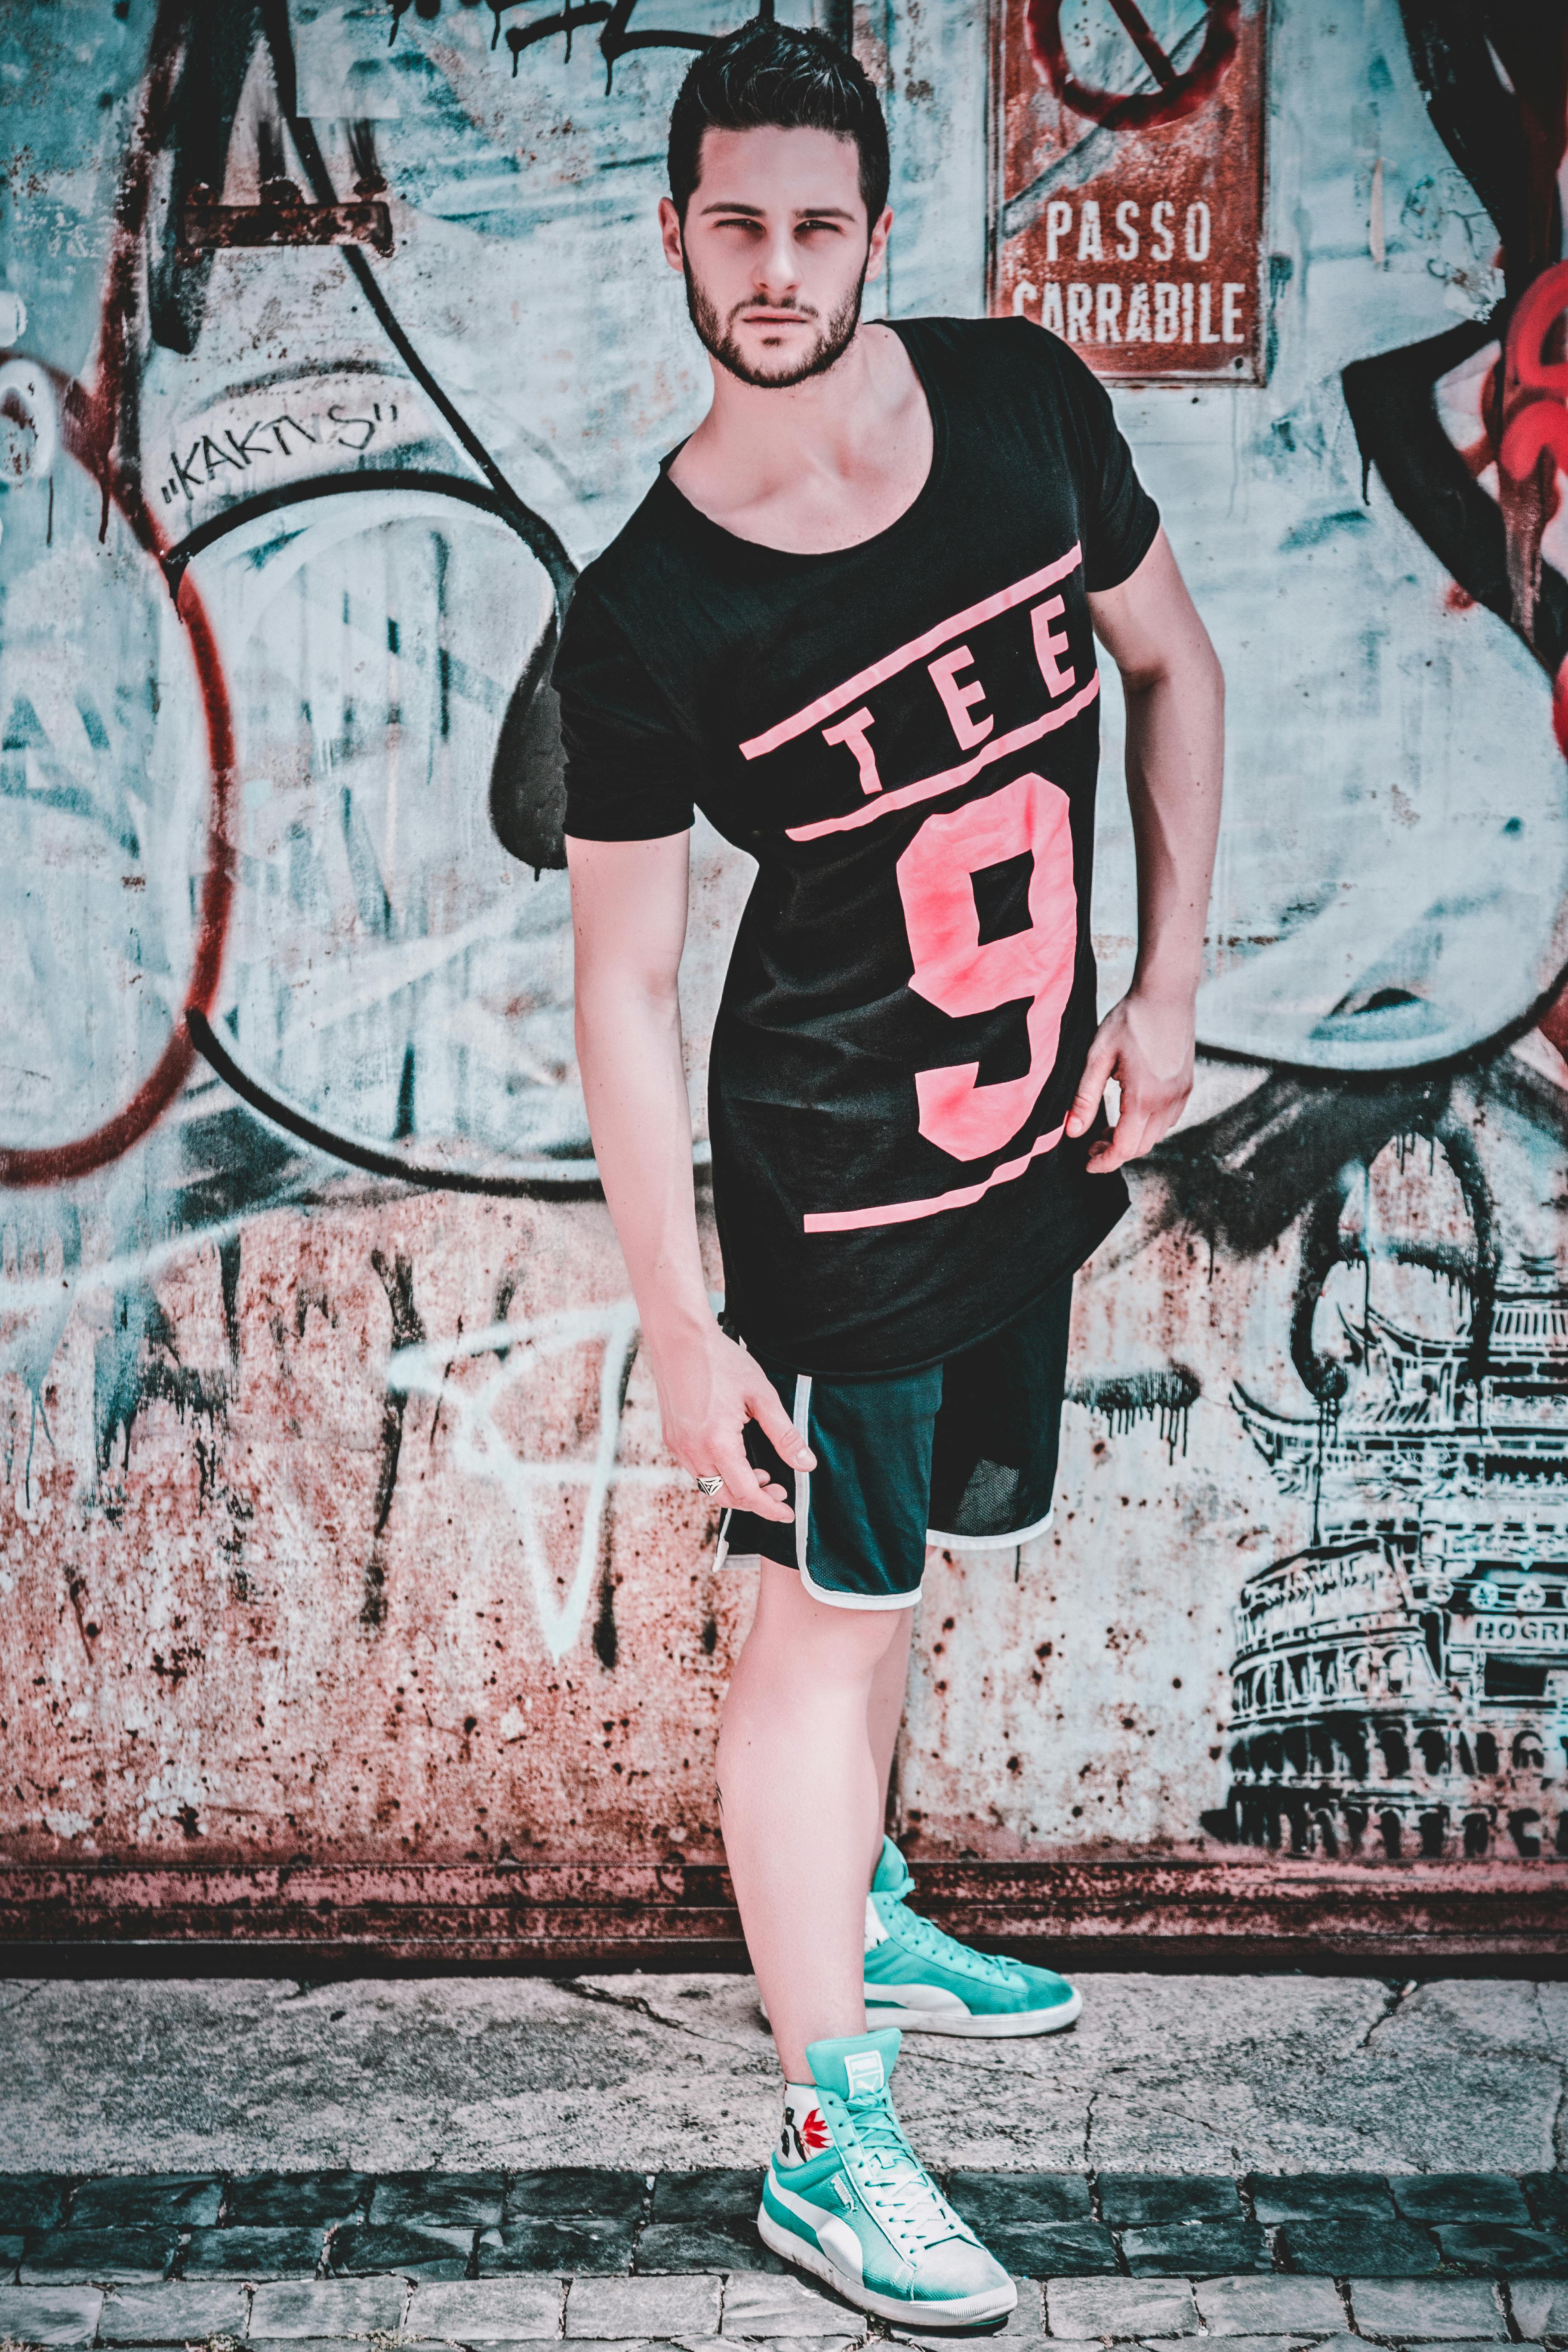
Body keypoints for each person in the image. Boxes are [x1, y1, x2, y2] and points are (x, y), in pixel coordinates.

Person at [555, 16, 1223, 2326]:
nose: (771, 263)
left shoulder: (1023, 405)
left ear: (872, 236)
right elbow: (625, 986)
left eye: (812, 222)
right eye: (729, 221)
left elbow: (1175, 670)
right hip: (836, 1189)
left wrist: (1167, 988)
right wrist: (673, 1309)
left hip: (1028, 1138)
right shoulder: (648, 607)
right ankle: (830, 2136)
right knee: (820, 1629)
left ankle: (863, 1903)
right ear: (674, 232)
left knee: (911, 1560)